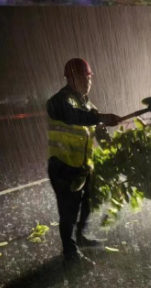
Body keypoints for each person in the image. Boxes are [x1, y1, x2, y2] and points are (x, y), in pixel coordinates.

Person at [46, 58, 121, 265]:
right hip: (63, 166)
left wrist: (115, 148)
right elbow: (73, 116)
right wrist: (102, 117)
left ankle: (80, 237)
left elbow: (100, 132)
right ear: (69, 78)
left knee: (87, 202)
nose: (87, 81)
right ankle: (70, 254)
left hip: (83, 167)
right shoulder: (57, 102)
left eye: (88, 77)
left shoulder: (88, 105)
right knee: (68, 211)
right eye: (81, 76)